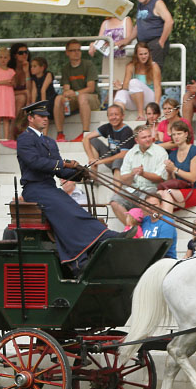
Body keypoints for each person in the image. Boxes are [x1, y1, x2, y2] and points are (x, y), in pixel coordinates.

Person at [17, 101, 128, 267]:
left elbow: (60, 171)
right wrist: (64, 164)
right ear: (31, 118)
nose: (45, 119)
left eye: (46, 117)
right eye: (41, 116)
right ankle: (102, 237)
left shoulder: (49, 142)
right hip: (34, 188)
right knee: (68, 208)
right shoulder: (25, 138)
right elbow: (35, 162)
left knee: (72, 207)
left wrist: (80, 174)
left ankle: (81, 256)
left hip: (49, 188)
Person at [114, 124, 168, 221]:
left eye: (149, 136)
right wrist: (132, 174)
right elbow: (123, 178)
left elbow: (161, 177)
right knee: (115, 201)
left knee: (146, 202)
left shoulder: (160, 152)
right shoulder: (130, 153)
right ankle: (132, 228)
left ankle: (146, 230)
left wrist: (143, 174)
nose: (148, 139)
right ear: (137, 140)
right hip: (133, 189)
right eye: (144, 137)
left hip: (151, 188)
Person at [52, 40, 99, 142]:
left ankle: (85, 133)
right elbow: (66, 88)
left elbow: (91, 88)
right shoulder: (66, 68)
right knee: (58, 98)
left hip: (91, 98)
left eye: (78, 50)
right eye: (73, 50)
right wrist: (66, 96)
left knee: (82, 97)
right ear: (67, 52)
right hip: (75, 99)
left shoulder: (88, 64)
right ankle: (60, 134)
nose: (76, 52)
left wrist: (76, 93)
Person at [159, 120, 196, 212]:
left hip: (195, 190)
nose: (176, 137)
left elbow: (193, 178)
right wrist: (169, 171)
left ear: (186, 134)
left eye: (179, 134)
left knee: (166, 194)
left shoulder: (195, 151)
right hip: (178, 190)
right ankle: (166, 224)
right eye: (174, 134)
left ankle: (166, 224)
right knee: (158, 195)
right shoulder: (172, 154)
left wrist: (175, 169)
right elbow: (172, 180)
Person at [112, 42, 162, 120]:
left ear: (149, 53)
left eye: (145, 54)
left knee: (133, 82)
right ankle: (117, 118)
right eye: (141, 54)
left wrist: (156, 105)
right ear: (136, 55)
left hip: (149, 100)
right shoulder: (131, 66)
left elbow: (157, 87)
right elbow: (125, 87)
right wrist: (121, 87)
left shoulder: (154, 66)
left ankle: (141, 114)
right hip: (135, 100)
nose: (143, 56)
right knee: (120, 93)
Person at [130, 0, 174, 68]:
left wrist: (161, 42)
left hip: (155, 43)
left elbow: (169, 21)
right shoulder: (140, 5)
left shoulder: (157, 3)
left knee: (153, 73)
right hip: (142, 45)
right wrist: (126, 40)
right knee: (141, 74)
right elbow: (138, 26)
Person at [82, 104, 133, 181]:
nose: (114, 117)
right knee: (93, 141)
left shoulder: (126, 131)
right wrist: (91, 158)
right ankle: (93, 177)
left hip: (124, 162)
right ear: (108, 117)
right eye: (111, 115)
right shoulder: (107, 127)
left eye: (116, 114)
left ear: (122, 116)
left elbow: (123, 154)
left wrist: (100, 161)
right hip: (111, 158)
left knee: (117, 160)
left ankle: (117, 190)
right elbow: (86, 138)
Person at [90, 13, 134, 88]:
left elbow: (128, 39)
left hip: (123, 60)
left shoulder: (126, 20)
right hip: (108, 60)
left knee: (122, 88)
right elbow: (99, 40)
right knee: (110, 89)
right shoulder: (105, 23)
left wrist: (114, 44)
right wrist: (92, 44)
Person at [139, 193, 177, 259]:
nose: (151, 208)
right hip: (146, 258)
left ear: (161, 205)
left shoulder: (167, 223)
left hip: (165, 260)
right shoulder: (145, 220)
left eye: (154, 205)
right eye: (148, 205)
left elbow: (162, 248)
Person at [28, 56, 56, 122]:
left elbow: (43, 90)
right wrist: (32, 105)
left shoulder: (48, 74)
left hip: (50, 98)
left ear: (42, 67)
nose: (32, 68)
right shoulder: (34, 78)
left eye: (34, 66)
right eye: (31, 66)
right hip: (40, 98)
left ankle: (44, 132)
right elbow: (34, 91)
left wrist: (43, 107)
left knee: (43, 113)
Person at [8, 43, 31, 119]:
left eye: (26, 52)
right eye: (21, 53)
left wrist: (27, 72)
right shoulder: (9, 70)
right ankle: (15, 127)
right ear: (15, 55)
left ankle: (15, 127)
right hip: (10, 98)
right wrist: (24, 92)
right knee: (21, 98)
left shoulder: (31, 68)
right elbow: (8, 91)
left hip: (26, 101)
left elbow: (30, 89)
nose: (24, 55)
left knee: (22, 98)